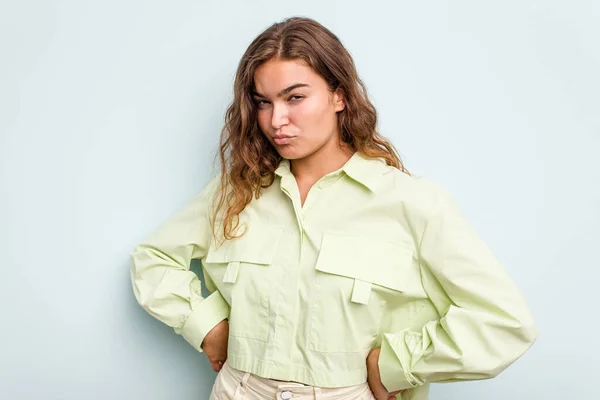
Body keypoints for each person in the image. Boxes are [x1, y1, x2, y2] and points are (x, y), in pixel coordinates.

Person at [130, 17, 537, 400]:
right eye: (263, 102)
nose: (276, 120)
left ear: (339, 95)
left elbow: (504, 323)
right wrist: (209, 326)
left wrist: (399, 363)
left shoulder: (412, 204)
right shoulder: (236, 191)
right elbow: (153, 260)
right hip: (239, 389)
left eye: (295, 97)